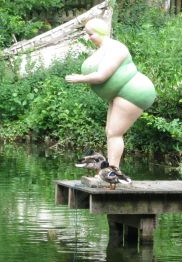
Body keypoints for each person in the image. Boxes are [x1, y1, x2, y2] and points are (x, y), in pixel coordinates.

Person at [65, 18, 156, 181]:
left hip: (133, 91)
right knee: (110, 132)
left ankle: (113, 172)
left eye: (90, 34)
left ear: (100, 32)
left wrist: (80, 78)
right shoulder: (104, 48)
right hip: (118, 94)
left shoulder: (115, 48)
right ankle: (108, 172)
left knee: (115, 133)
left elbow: (101, 76)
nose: (89, 38)